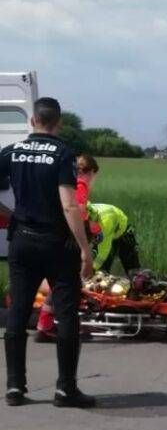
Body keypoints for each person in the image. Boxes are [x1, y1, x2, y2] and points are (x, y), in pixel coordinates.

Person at [0, 97, 95, 408]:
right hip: (57, 244)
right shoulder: (63, 154)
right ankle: (66, 388)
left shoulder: (11, 152)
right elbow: (69, 204)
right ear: (60, 123)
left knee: (18, 311)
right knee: (67, 314)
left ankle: (15, 386)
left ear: (32, 122)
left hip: (22, 240)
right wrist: (84, 248)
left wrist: (10, 215)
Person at [36, 154, 99, 341]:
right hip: (69, 239)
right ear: (91, 172)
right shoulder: (81, 185)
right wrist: (85, 233)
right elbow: (76, 209)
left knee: (58, 284)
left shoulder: (66, 182)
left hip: (51, 236)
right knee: (70, 284)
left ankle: (45, 322)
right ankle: (67, 328)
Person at [86, 202, 140, 274]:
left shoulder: (105, 222)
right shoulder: (85, 210)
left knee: (133, 272)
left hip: (122, 233)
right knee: (100, 273)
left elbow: (103, 250)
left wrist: (93, 268)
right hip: (107, 231)